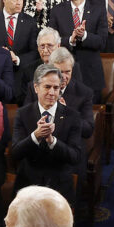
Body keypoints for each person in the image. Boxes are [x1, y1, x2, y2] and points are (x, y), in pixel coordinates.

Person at [11, 64, 83, 200]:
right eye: (47, 87)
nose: (52, 92)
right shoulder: (23, 113)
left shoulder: (73, 116)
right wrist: (35, 136)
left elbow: (75, 157)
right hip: (28, 185)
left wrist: (52, 141)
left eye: (56, 88)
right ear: (36, 88)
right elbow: (15, 153)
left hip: (59, 186)